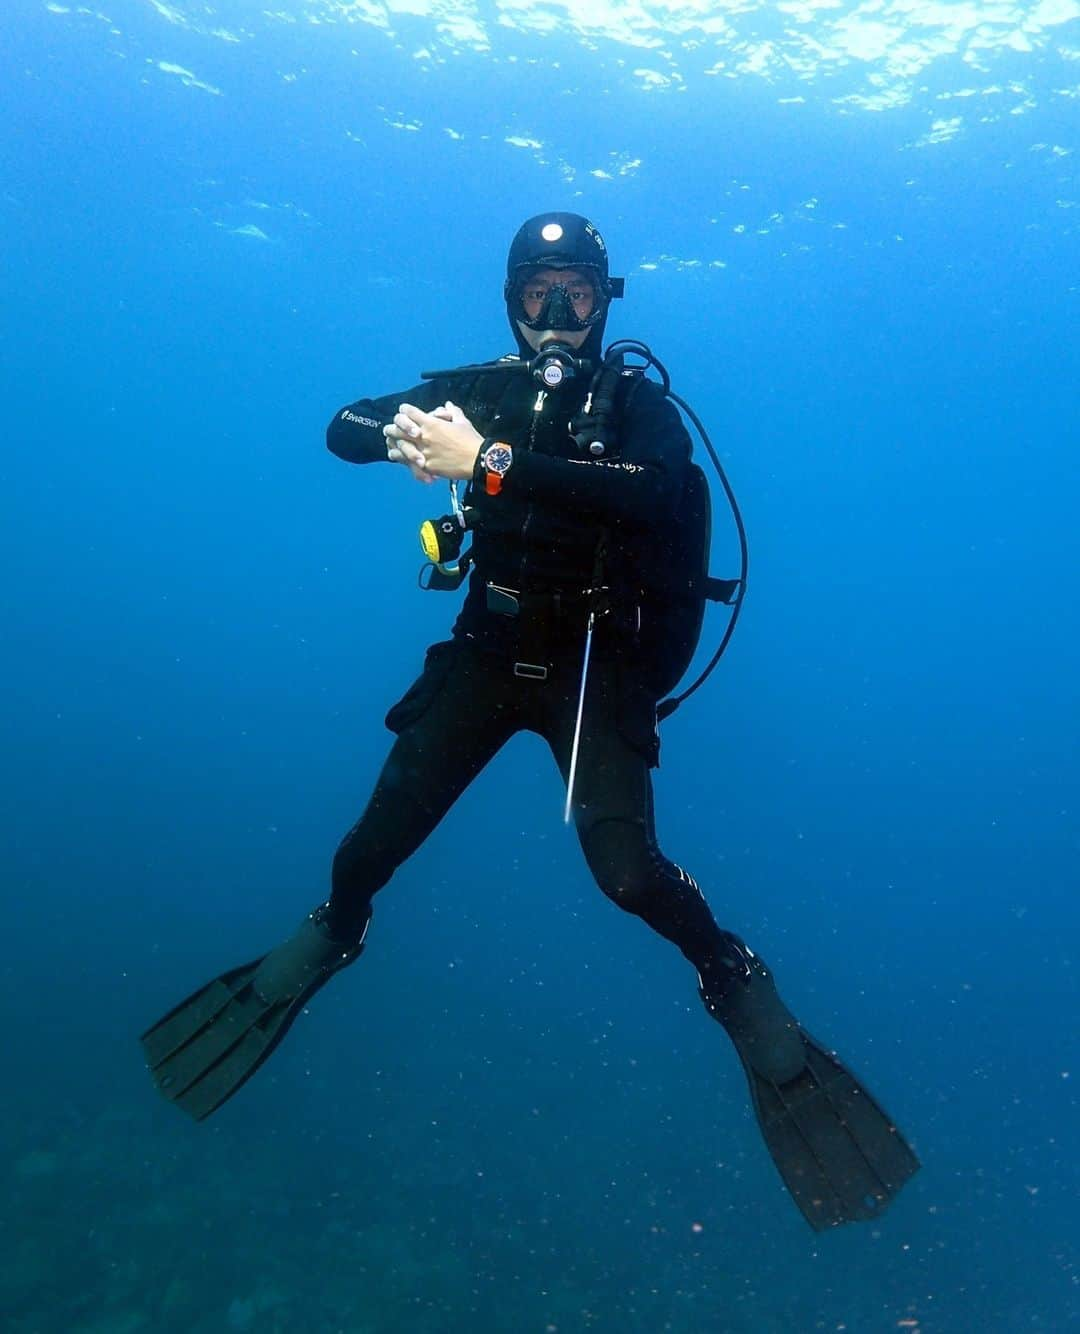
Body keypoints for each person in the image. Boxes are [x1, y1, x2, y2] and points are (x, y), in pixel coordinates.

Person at [141, 213, 918, 1230]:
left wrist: (491, 462)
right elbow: (339, 424)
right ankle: (334, 932)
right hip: (489, 650)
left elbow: (654, 491)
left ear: (608, 303)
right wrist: (403, 437)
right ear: (510, 299)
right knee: (366, 846)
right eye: (538, 294)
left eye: (579, 295)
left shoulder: (640, 406)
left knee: (629, 873)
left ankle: (732, 978)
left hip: (594, 663)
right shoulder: (479, 390)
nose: (558, 317)